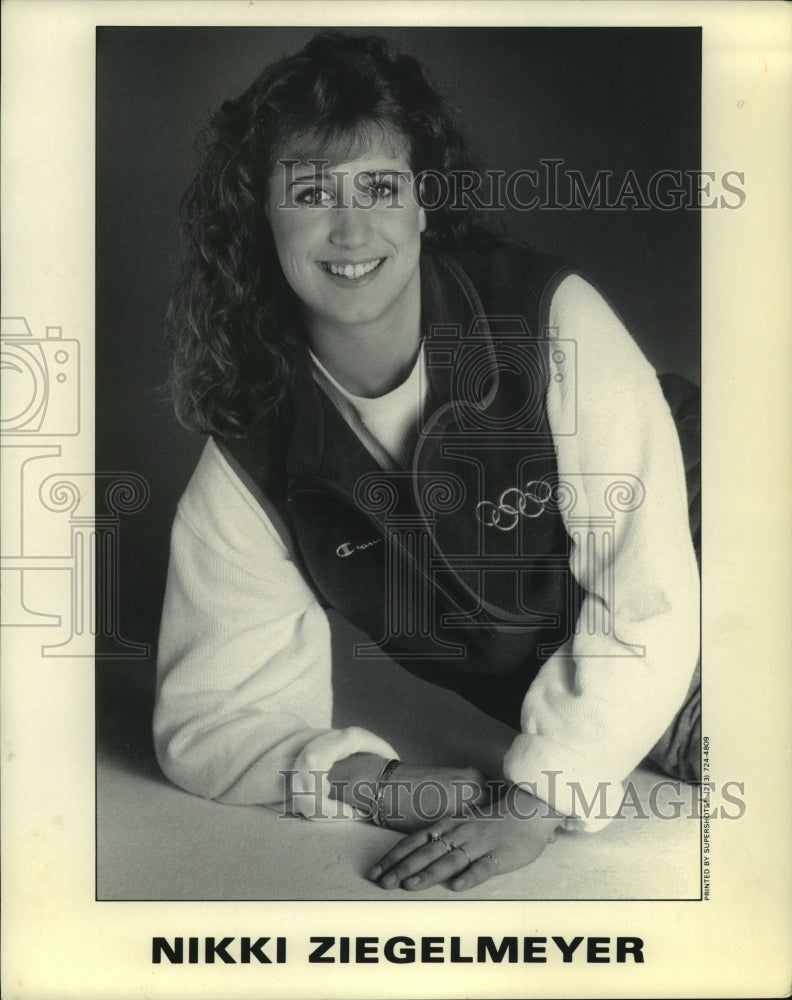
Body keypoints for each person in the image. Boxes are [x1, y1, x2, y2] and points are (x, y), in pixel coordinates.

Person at [154, 31, 701, 893]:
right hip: (634, 715)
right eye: (311, 192)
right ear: (260, 217)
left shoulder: (546, 315)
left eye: (380, 185)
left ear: (421, 203)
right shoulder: (253, 452)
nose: (351, 227)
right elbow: (206, 721)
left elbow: (652, 595)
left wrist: (535, 800)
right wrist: (378, 786)